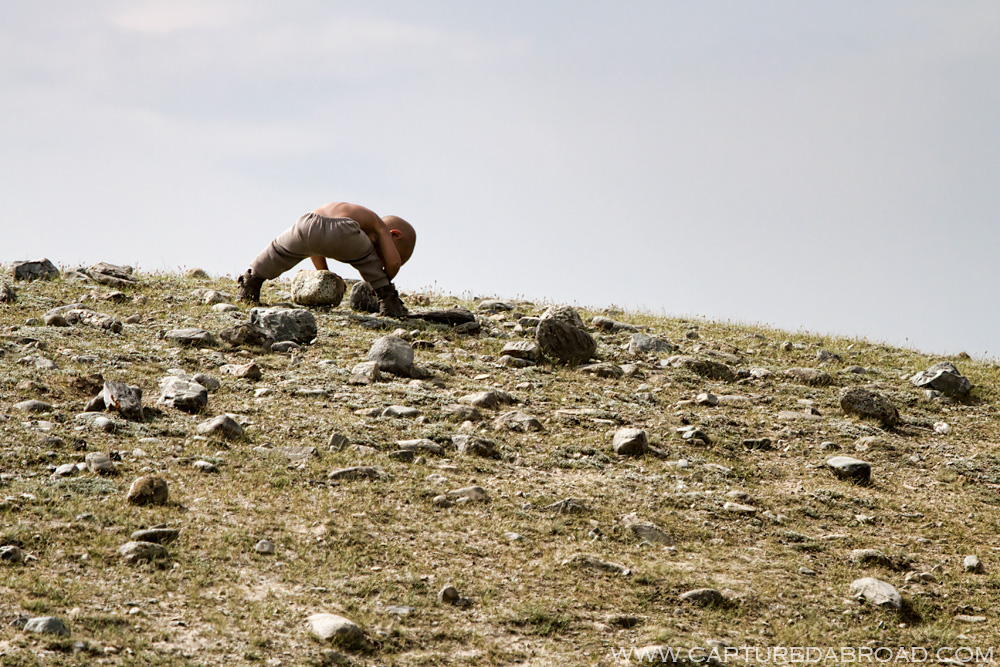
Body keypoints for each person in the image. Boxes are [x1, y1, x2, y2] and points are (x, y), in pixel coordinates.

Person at [237, 202, 416, 318]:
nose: (381, 259)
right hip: (344, 229)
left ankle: (250, 283)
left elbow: (316, 248)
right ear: (394, 235)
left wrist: (325, 274)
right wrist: (382, 283)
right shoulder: (379, 225)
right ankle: (390, 303)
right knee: (367, 260)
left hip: (306, 223)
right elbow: (394, 263)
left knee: (277, 252)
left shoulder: (349, 212)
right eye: (383, 254)